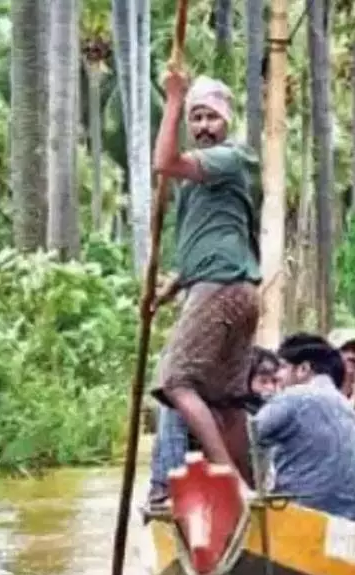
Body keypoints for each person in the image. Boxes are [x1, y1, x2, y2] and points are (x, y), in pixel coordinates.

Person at [150, 71, 262, 485]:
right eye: (195, 118)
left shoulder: (230, 158)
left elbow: (164, 163)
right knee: (227, 400)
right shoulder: (201, 180)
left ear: (227, 121)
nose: (202, 127)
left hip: (223, 285)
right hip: (234, 286)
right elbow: (206, 241)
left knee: (177, 382)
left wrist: (175, 99)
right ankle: (250, 490)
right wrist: (167, 291)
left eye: (210, 117)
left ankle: (229, 484)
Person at [252, 335, 355, 520]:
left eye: (282, 367)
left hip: (302, 520)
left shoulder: (294, 398)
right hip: (350, 520)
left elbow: (248, 438)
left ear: (304, 369)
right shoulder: (349, 409)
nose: (277, 376)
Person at [149, 347, 279, 503]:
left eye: (274, 381)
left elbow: (263, 471)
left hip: (246, 487)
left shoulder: (263, 413)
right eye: (263, 381)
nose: (270, 388)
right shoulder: (186, 409)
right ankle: (169, 491)